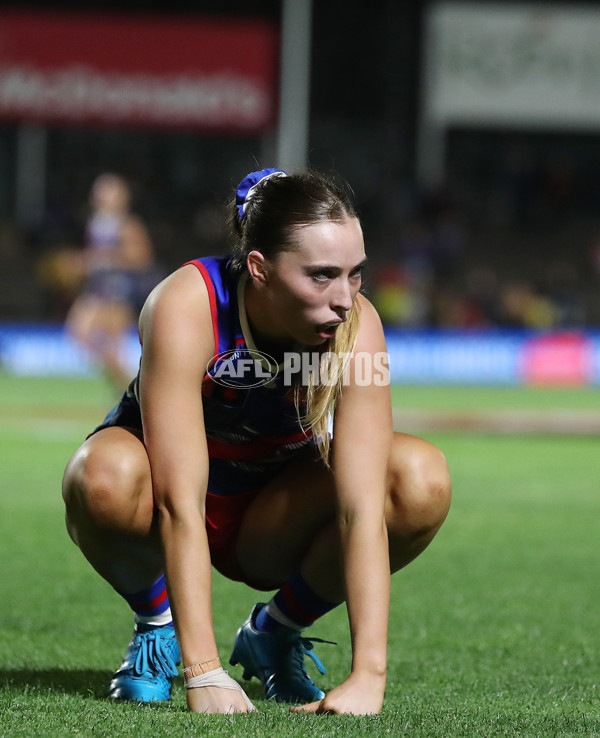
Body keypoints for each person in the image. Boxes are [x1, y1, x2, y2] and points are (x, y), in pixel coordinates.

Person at [62, 168, 451, 715]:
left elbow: (362, 508)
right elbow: (178, 502)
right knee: (100, 475)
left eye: (355, 274)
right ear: (260, 269)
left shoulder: (358, 327)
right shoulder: (186, 303)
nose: (344, 299)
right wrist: (204, 672)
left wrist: (369, 676)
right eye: (321, 276)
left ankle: (275, 630)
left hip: (273, 517)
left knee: (419, 478)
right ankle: (157, 626)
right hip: (160, 497)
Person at [65, 173, 162, 391]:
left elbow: (143, 257)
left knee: (109, 346)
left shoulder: (128, 225)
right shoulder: (97, 223)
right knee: (81, 334)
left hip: (119, 290)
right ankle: (128, 390)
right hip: (97, 289)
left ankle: (131, 392)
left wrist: (99, 259)